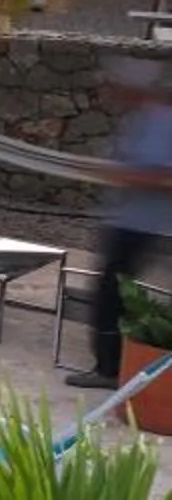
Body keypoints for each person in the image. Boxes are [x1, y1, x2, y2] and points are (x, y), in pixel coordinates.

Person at [67, 59, 172, 389]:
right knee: (112, 292)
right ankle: (115, 364)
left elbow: (163, 177)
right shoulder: (141, 119)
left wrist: (119, 175)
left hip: (143, 226)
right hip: (129, 221)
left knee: (111, 295)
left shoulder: (159, 122)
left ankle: (111, 369)